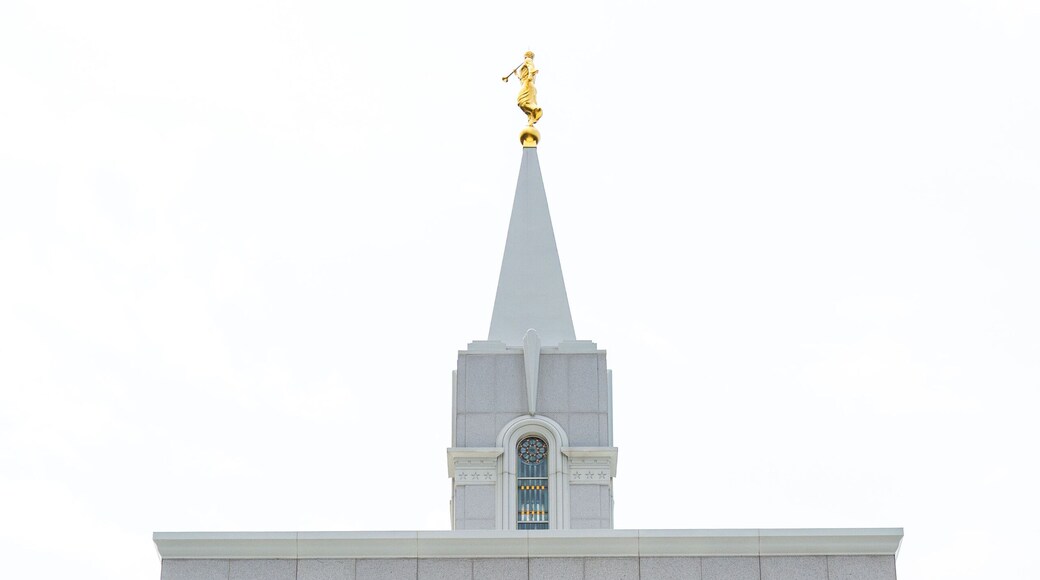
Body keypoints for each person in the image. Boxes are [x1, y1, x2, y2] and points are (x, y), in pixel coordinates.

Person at [516, 51, 542, 126]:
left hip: (528, 83)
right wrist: (516, 74)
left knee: (521, 101)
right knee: (523, 103)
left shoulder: (528, 60)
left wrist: (530, 75)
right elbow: (522, 79)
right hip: (528, 84)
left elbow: (531, 67)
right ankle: (531, 117)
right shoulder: (526, 62)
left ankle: (536, 110)